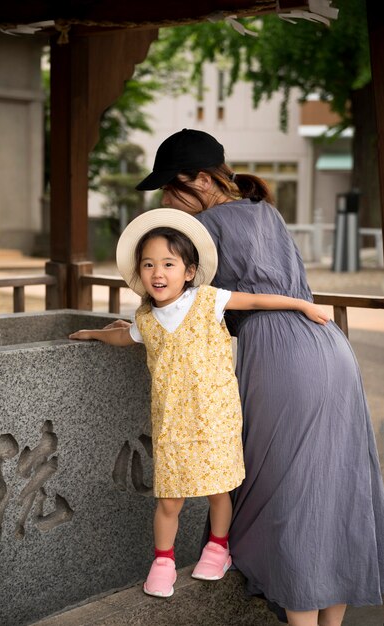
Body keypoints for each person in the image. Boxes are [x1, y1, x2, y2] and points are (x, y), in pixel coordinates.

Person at [132, 129, 384, 626]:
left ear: (202, 181)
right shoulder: (264, 210)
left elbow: (177, 307)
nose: (165, 199)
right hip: (329, 349)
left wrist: (128, 328)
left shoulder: (209, 228)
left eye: (170, 187)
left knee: (283, 497)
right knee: (331, 489)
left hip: (278, 355)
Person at [69, 208, 330, 601]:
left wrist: (303, 306)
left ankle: (218, 548)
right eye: (149, 265)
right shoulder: (146, 319)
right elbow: (125, 338)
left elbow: (257, 300)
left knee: (218, 490)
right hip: (172, 425)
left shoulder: (208, 300)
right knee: (169, 498)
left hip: (216, 419)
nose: (158, 273)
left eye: (169, 264)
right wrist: (94, 333)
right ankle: (163, 561)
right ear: (139, 273)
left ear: (188, 271)